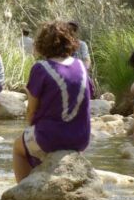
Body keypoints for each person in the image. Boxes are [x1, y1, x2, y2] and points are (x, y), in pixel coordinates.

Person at [13, 22, 92, 182]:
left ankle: (22, 191)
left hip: (49, 138)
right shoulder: (82, 66)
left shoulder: (41, 68)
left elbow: (31, 111)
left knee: (18, 149)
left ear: (43, 44)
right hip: (81, 139)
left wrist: (29, 128)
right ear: (70, 42)